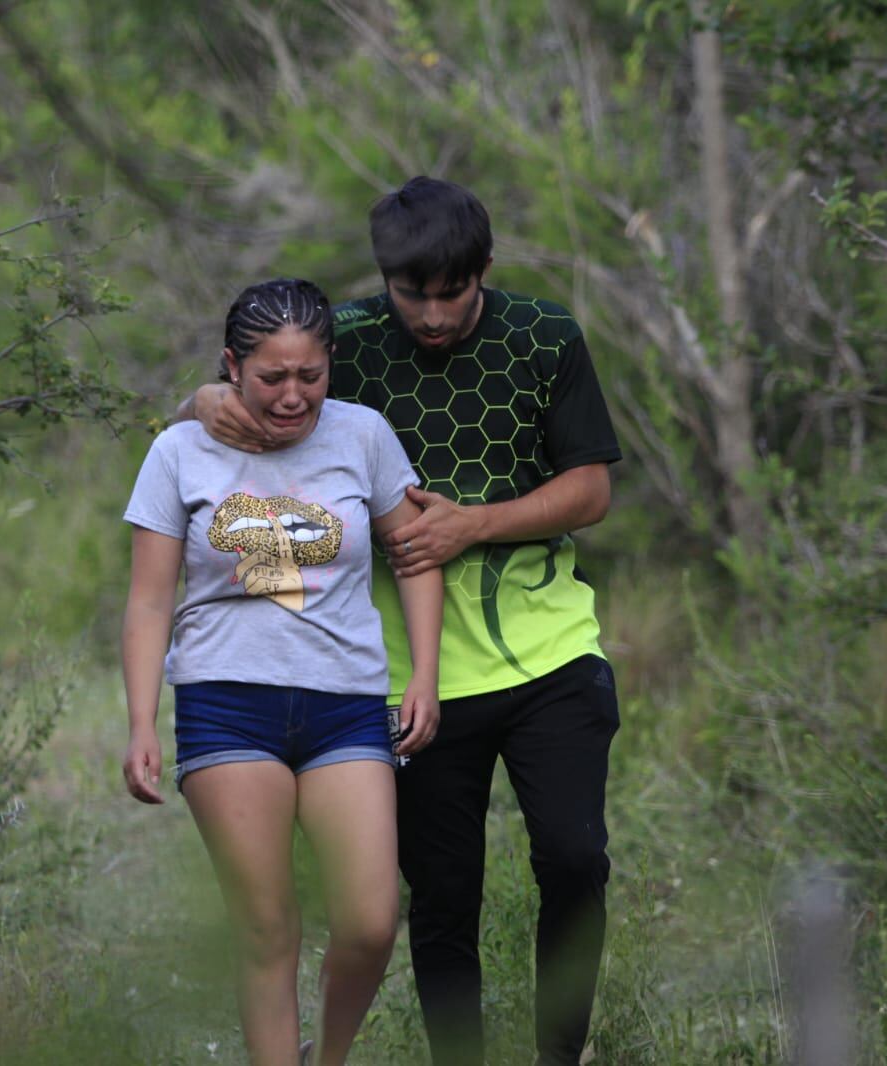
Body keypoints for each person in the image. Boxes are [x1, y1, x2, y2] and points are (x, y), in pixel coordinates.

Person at [186, 178, 622, 1066]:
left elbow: (591, 489)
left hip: (550, 654)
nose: (429, 313)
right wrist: (202, 398)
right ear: (383, 277)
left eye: (450, 293)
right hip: (405, 677)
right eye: (409, 293)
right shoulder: (344, 340)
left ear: (483, 271)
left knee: (574, 861)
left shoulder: (545, 337)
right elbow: (250, 387)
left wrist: (472, 523)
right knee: (444, 895)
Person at [123, 278, 444, 1066]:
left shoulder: (362, 436)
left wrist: (424, 672)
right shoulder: (178, 451)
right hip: (226, 706)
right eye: (272, 378)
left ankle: (324, 1057)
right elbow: (147, 600)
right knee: (267, 926)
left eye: (311, 375)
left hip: (346, 705)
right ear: (231, 366)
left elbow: (416, 552)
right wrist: (139, 722)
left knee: (370, 923)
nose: (294, 396)